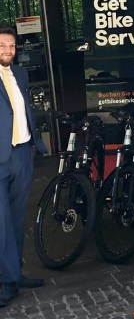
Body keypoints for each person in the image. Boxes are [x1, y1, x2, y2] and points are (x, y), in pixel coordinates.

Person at [0, 26, 47, 308]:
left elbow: (24, 109)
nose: (8, 50)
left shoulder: (20, 73)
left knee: (17, 219)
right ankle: (7, 280)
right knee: (2, 222)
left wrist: (32, 144)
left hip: (22, 153)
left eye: (12, 46)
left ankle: (15, 273)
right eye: (2, 45)